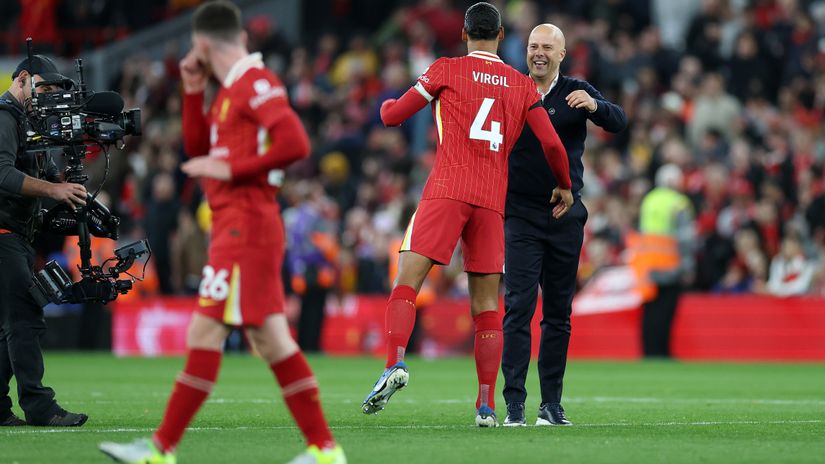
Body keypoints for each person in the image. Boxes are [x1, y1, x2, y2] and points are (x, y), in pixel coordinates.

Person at [98, 2, 345, 463]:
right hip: (238, 227)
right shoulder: (230, 90)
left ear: (204, 44)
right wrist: (192, 91)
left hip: (245, 228)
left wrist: (231, 168)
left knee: (208, 332)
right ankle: (325, 451)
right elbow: (197, 148)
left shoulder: (256, 83)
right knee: (271, 339)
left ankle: (159, 450)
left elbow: (296, 142)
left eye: (195, 51)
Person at [361, 2, 574, 428]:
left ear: (464, 33)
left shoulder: (446, 70)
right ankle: (486, 405)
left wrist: (386, 104)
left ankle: (394, 363)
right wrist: (565, 185)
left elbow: (393, 116)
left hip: (447, 190)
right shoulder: (521, 85)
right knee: (485, 308)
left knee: (408, 281)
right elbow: (552, 145)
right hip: (492, 203)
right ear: (500, 36)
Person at [501, 24, 627, 427]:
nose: (538, 53)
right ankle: (515, 404)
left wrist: (595, 106)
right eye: (533, 46)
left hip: (564, 216)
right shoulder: (510, 89)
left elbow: (619, 121)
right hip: (519, 213)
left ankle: (550, 405)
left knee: (558, 313)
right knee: (518, 308)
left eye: (546, 48)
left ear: (561, 53)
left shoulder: (577, 90)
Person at [0, 54, 89, 427]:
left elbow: (54, 186)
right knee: (25, 317)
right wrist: (54, 189)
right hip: (3, 235)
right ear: (22, 79)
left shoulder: (28, 125)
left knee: (9, 325)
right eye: (45, 87)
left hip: (16, 236)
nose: (48, 96)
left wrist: (81, 204)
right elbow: (2, 173)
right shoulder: (4, 116)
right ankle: (39, 406)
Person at [631, 164, 695, 358]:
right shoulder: (679, 202)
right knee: (666, 312)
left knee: (650, 311)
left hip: (648, 265)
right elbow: (686, 238)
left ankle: (649, 352)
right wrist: (688, 267)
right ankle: (662, 352)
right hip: (670, 266)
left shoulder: (649, 200)